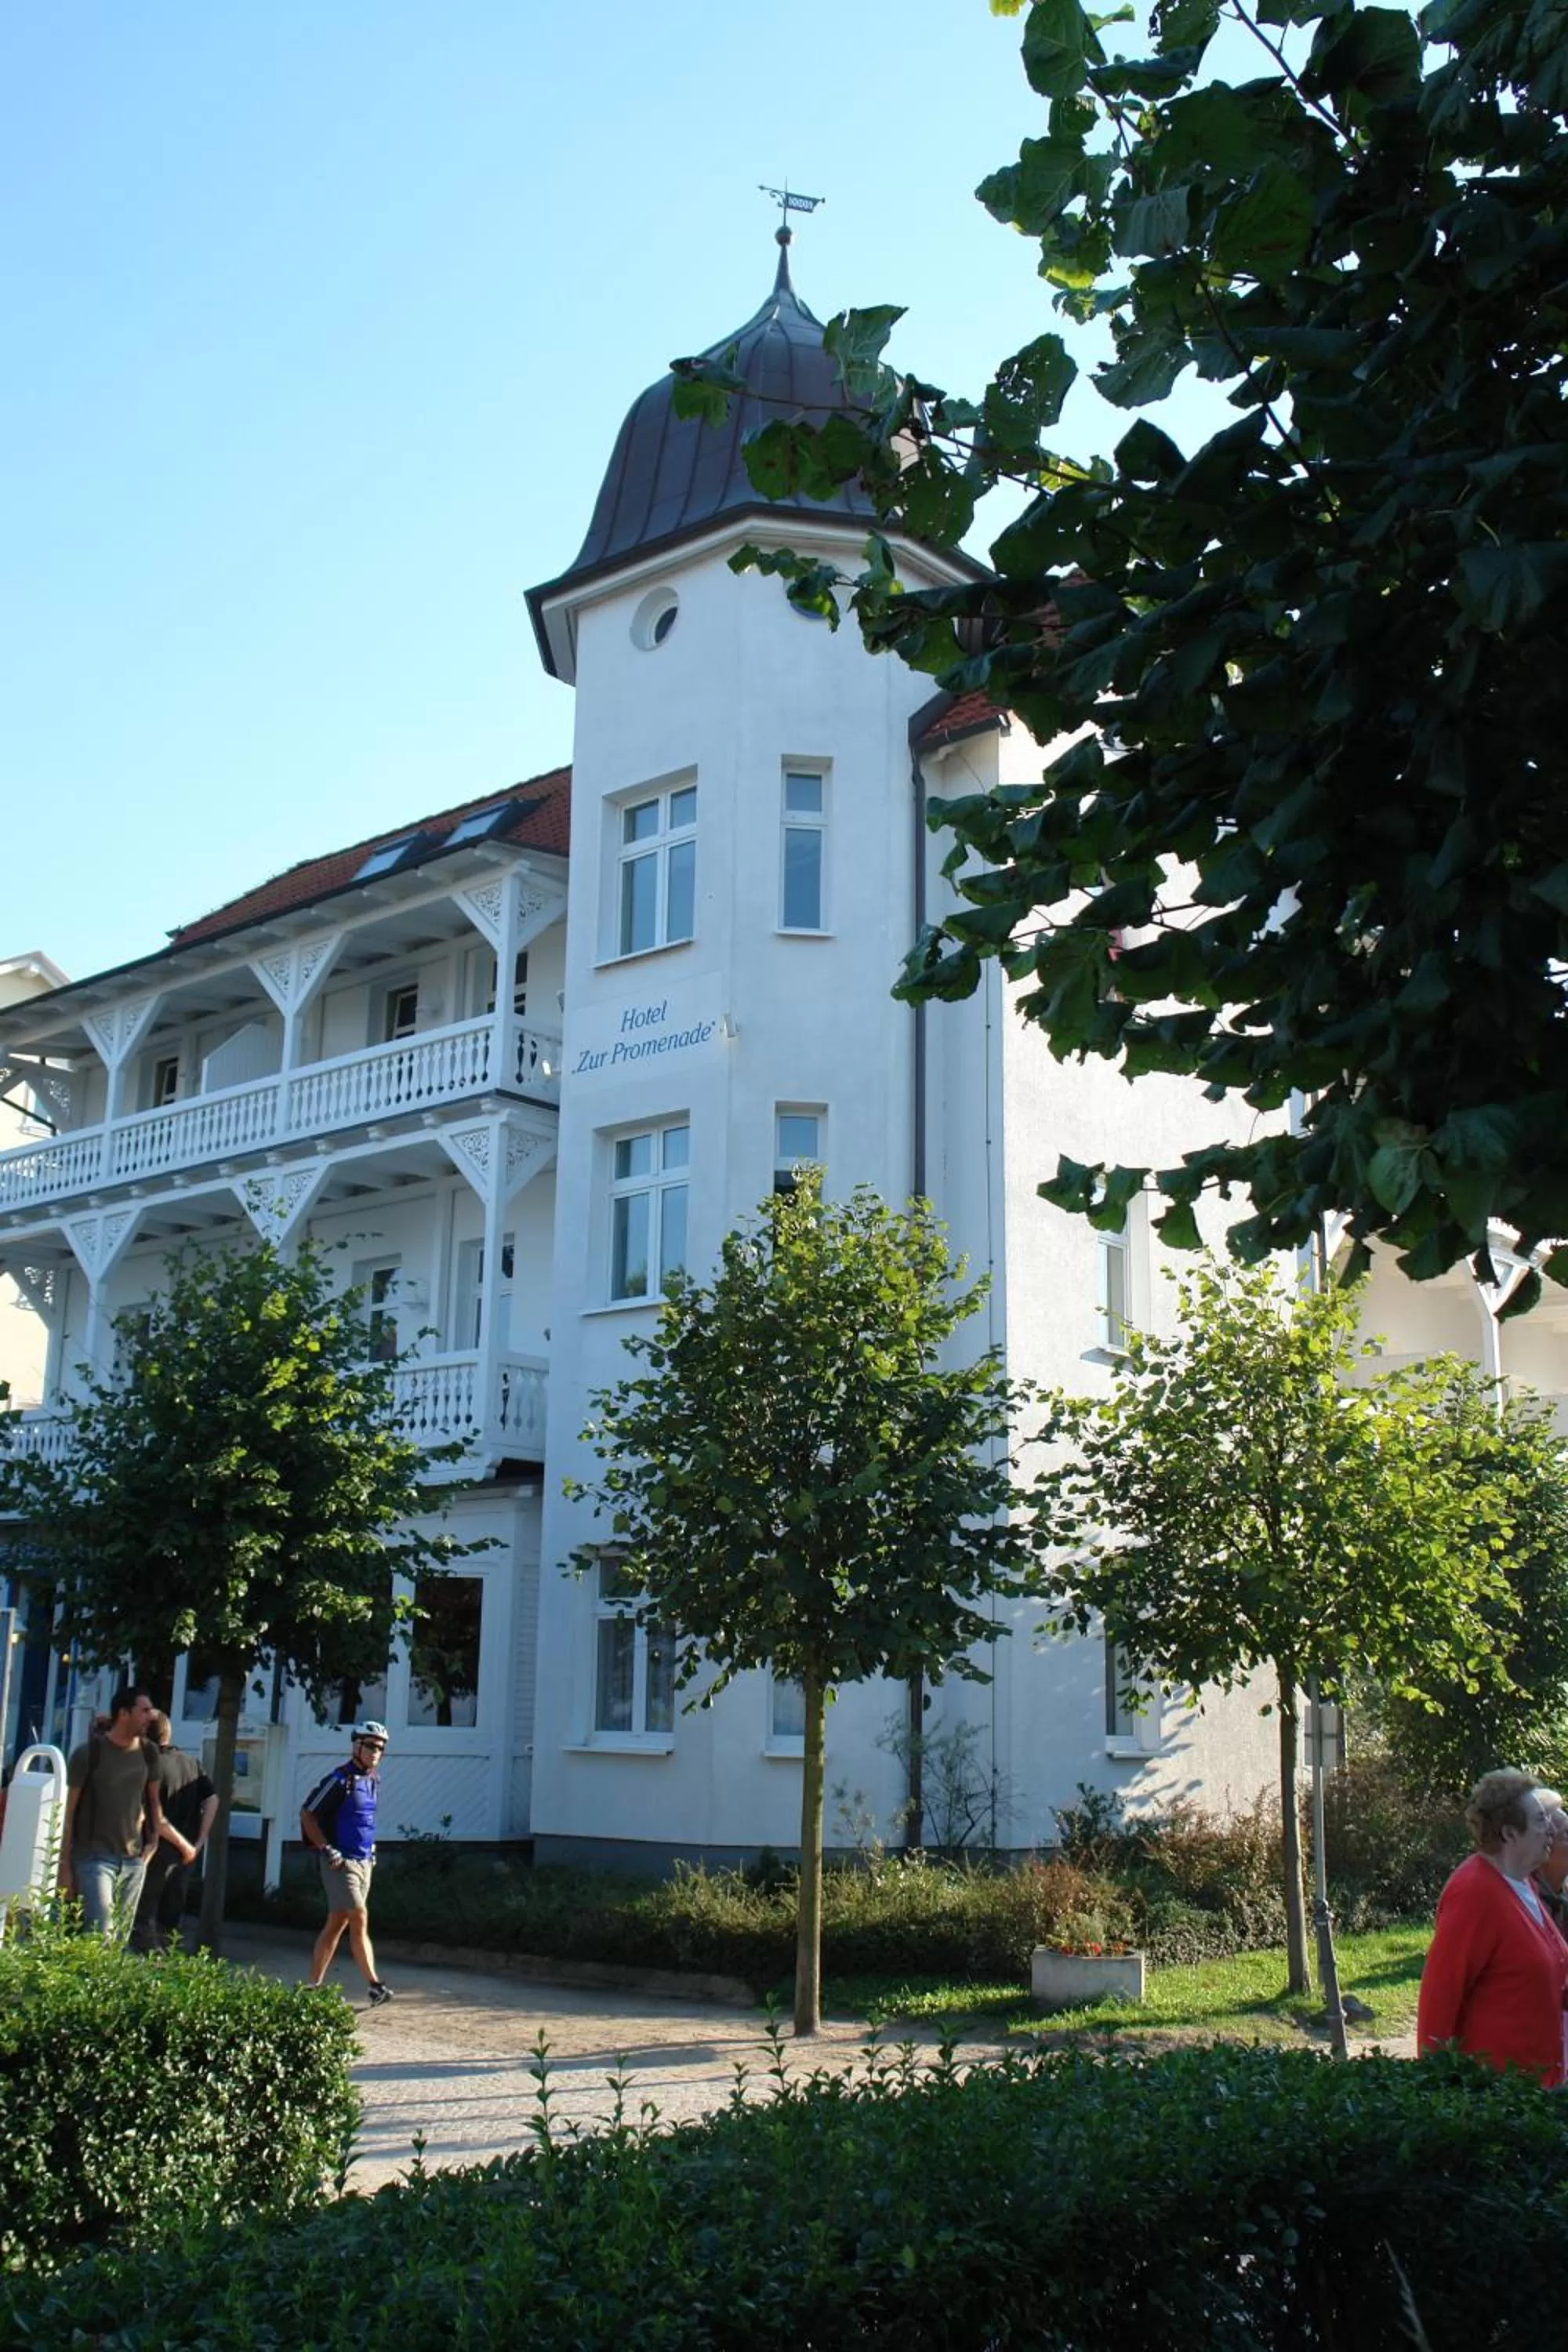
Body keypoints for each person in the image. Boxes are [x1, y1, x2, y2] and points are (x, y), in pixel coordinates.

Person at [1417, 1766, 1568, 2085]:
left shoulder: (1525, 1882)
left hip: (1537, 2087)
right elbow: (1440, 1998)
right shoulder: (1474, 1892)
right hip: (1496, 2095)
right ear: (1509, 1833)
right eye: (1540, 1821)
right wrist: (1434, 2086)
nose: (1551, 1831)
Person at [58, 1685, 166, 1939]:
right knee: (101, 1935)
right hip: (93, 1858)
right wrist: (64, 1866)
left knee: (119, 1941)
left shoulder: (149, 1753)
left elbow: (153, 1802)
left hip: (133, 1859)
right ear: (124, 1713)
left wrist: (152, 1844)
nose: (151, 1716)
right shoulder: (88, 1754)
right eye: (144, 1710)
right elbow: (68, 1812)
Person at [300, 1719, 393, 2005]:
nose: (376, 1752)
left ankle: (312, 1987)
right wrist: (327, 1849)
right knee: (359, 1915)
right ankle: (375, 1986)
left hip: (364, 1862)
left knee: (337, 1922)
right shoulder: (340, 1780)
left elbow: (363, 1820)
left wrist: (371, 1850)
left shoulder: (373, 1780)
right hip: (340, 1863)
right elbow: (307, 1814)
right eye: (370, 1746)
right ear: (356, 1746)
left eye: (380, 1748)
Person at [130, 1710, 216, 1953]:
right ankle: (167, 1969)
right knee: (170, 1923)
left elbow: (148, 1815)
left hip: (152, 1851)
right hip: (185, 1856)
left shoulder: (146, 1765)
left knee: (142, 1920)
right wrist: (199, 1841)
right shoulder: (191, 1764)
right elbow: (213, 1800)